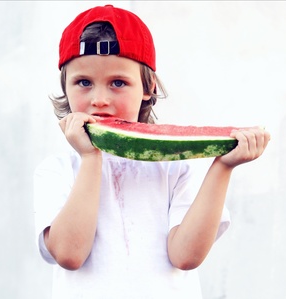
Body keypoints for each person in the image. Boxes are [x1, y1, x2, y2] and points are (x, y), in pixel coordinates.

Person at [34, 4, 270, 299]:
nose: (99, 99)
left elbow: (185, 256)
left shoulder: (178, 166)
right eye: (83, 83)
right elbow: (70, 254)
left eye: (118, 82)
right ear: (65, 88)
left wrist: (223, 166)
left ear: (148, 87)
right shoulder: (56, 171)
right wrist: (91, 158)